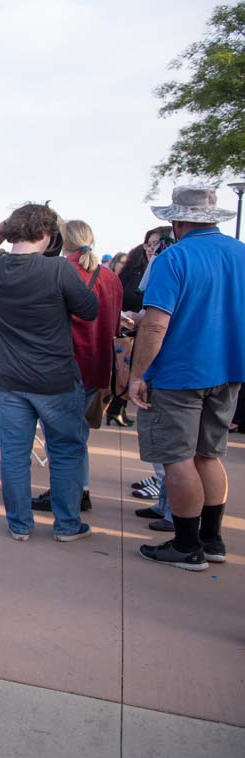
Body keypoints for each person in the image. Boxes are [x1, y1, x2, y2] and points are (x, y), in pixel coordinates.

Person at [129, 186, 244, 570]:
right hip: (229, 368)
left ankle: (186, 544)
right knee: (209, 455)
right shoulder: (241, 254)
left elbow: (155, 326)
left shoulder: (173, 258)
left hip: (180, 371)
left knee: (178, 458)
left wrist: (137, 375)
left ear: (177, 221)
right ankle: (212, 540)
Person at [0, 204, 98, 542]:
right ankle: (67, 524)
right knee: (66, 452)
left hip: (9, 380)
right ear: (47, 235)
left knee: (14, 455)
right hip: (55, 379)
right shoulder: (57, 270)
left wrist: (13, 221)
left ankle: (20, 524)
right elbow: (90, 310)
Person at [31, 220, 122, 514]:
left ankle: (66, 492)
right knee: (77, 435)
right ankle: (79, 489)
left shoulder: (56, 270)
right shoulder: (110, 278)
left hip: (64, 364)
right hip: (98, 364)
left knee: (60, 439)